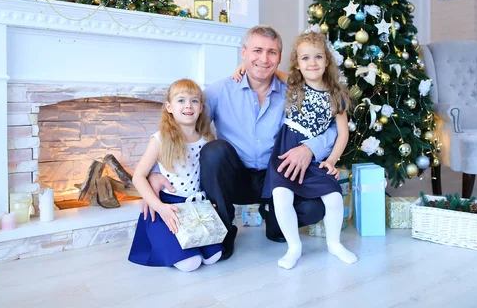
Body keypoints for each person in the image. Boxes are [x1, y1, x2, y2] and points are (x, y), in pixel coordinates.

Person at [144, 25, 336, 261]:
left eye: (272, 52)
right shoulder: (218, 92)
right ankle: (223, 231)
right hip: (233, 178)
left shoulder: (294, 92)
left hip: (276, 177)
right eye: (257, 50)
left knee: (314, 208)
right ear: (243, 53)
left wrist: (309, 148)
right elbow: (178, 126)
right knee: (214, 151)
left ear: (280, 58)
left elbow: (332, 123)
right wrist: (154, 172)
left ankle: (274, 220)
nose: (264, 59)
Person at [259, 31, 357, 269]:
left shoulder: (337, 95)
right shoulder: (294, 84)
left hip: (314, 156)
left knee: (333, 196)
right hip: (286, 149)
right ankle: (294, 247)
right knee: (282, 195)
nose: (311, 63)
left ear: (327, 61)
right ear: (297, 63)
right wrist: (240, 70)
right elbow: (267, 71)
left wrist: (332, 161)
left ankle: (334, 244)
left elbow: (343, 133)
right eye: (305, 58)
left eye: (317, 57)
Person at [128, 79, 223, 272]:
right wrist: (159, 207)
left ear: (201, 107)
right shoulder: (160, 138)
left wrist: (210, 202)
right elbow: (138, 176)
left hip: (194, 207)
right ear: (169, 107)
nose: (188, 105)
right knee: (191, 263)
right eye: (181, 100)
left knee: (214, 257)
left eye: (194, 101)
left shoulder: (206, 140)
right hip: (168, 208)